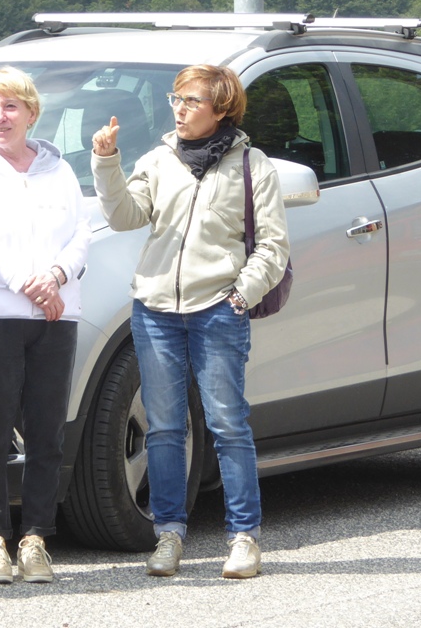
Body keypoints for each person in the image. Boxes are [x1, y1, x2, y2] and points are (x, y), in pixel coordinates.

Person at [90, 64, 289, 579]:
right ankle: (169, 535)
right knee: (164, 428)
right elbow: (125, 216)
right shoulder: (158, 159)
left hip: (219, 310)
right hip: (155, 310)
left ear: (221, 109)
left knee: (228, 424)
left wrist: (240, 295)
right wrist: (106, 162)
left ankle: (243, 538)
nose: (179, 109)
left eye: (191, 101)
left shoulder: (253, 165)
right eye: (175, 99)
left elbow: (273, 246)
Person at [0, 66, 90, 584]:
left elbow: (81, 234)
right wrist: (22, 282)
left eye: (10, 107)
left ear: (31, 113)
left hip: (55, 314)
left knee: (46, 431)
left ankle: (35, 541)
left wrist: (55, 277)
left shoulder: (62, 172)